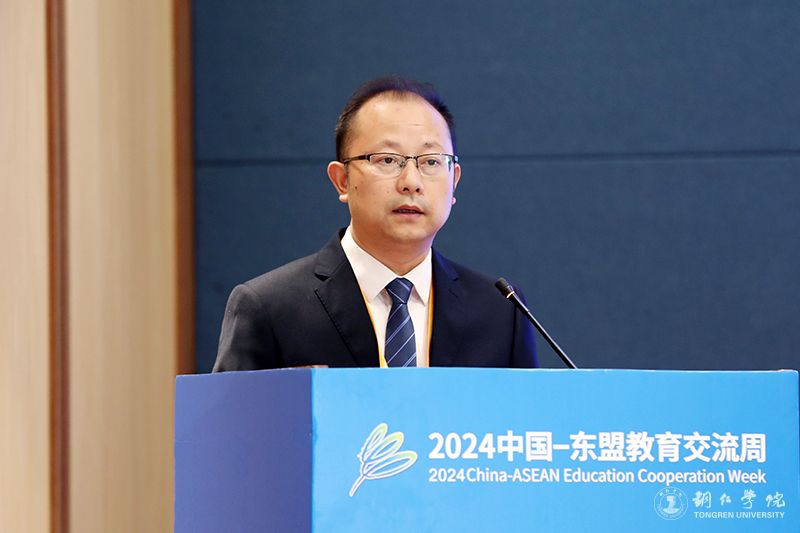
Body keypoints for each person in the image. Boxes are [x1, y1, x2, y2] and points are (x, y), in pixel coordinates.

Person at [212, 76, 536, 371]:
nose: (411, 182)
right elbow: (235, 420)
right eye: (387, 160)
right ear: (342, 180)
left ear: (454, 181)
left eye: (431, 162)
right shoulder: (269, 308)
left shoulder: (501, 312)